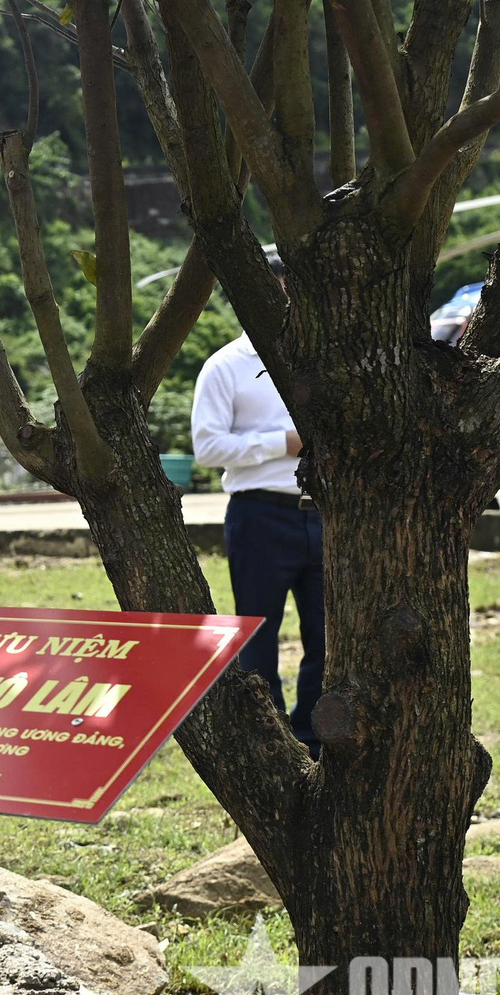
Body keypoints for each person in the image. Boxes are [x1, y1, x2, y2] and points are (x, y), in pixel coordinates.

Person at [191, 255, 323, 754]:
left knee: (330, 639)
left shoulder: (320, 360)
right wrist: (280, 443)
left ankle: (313, 740)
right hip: (261, 516)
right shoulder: (226, 366)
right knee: (258, 638)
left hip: (325, 514)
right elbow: (207, 448)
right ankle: (269, 743)